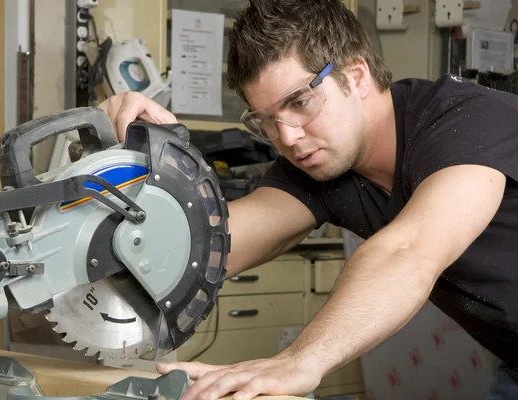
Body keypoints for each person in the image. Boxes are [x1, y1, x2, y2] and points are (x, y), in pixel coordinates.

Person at [99, 0, 518, 399]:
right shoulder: (320, 163)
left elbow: (410, 251)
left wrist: (299, 360)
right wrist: (118, 154)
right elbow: (207, 246)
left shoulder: (465, 120)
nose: (288, 137)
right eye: (266, 120)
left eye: (300, 103)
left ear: (356, 77)